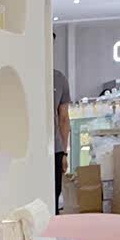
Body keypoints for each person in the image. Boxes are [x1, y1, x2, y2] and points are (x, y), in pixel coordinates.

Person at [53, 32, 71, 212]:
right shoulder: (58, 78)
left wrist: (64, 152)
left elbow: (64, 119)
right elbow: (63, 118)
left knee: (52, 198)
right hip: (51, 150)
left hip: (55, 149)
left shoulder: (59, 79)